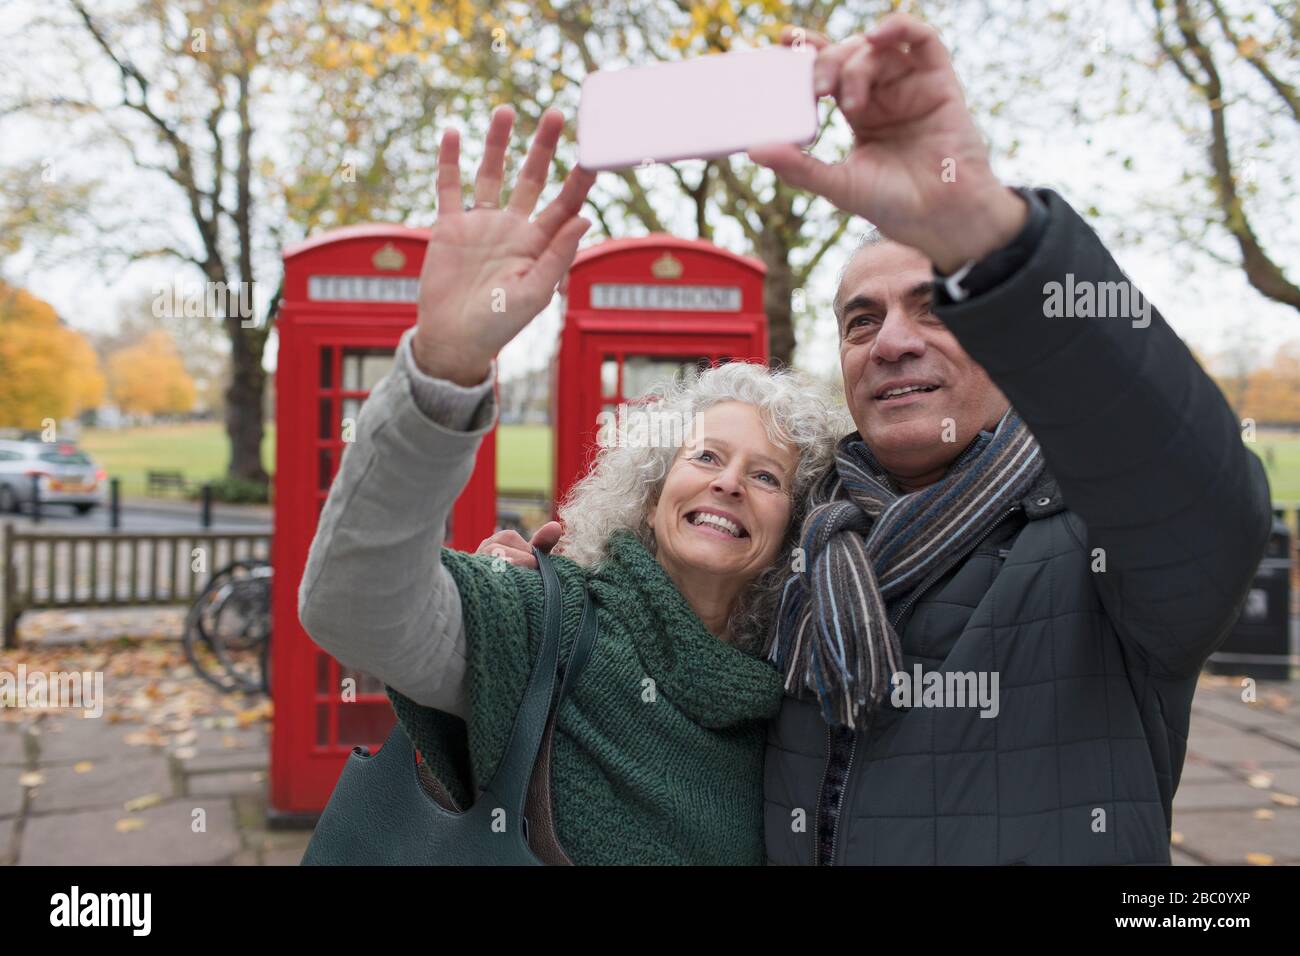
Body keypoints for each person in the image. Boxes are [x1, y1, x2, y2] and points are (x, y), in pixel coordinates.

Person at [495, 14, 1273, 865]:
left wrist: (985, 229)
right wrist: (563, 586)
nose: (893, 341)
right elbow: (677, 607)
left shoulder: (1100, 543)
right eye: (862, 320)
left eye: (936, 307)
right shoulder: (800, 537)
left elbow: (1199, 494)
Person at [296, 105, 841, 865]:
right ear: (653, 492)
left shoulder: (796, 696)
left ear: (794, 523)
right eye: (707, 458)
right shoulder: (541, 625)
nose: (729, 486)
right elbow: (351, 605)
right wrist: (444, 368)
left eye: (766, 476)